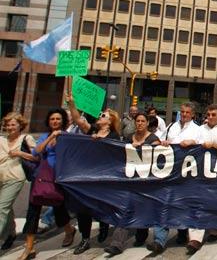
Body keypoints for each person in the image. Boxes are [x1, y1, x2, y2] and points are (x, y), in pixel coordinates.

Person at [66, 94, 121, 254]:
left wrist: (102, 142)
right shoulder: (92, 131)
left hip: (105, 178)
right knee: (83, 209)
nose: (100, 116)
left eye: (104, 115)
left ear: (110, 121)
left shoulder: (114, 137)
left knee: (103, 206)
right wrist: (72, 104)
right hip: (87, 175)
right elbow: (79, 121)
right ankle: (85, 239)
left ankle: (104, 225)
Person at [147, 102, 204, 256]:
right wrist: (164, 143)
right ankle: (159, 240)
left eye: (187, 112)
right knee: (164, 203)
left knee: (188, 205)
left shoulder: (198, 130)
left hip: (188, 175)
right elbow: (162, 141)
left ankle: (191, 239)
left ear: (192, 114)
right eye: (182, 112)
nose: (184, 114)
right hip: (170, 173)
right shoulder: (171, 126)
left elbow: (204, 148)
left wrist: (194, 143)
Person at [20, 109, 77, 260]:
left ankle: (69, 230)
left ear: (63, 121)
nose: (55, 121)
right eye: (52, 119)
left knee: (59, 208)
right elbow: (36, 152)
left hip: (58, 178)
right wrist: (50, 137)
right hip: (41, 177)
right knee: (33, 209)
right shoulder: (45, 136)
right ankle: (29, 247)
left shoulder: (68, 137)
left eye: (58, 119)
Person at [105, 113, 161, 257]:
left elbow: (158, 156)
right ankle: (116, 244)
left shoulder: (154, 139)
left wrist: (143, 147)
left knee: (145, 209)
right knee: (126, 209)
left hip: (148, 181)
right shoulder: (130, 138)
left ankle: (142, 234)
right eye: (138, 121)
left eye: (143, 121)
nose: (140, 123)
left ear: (147, 123)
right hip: (131, 180)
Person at [186, 104, 217, 255]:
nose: (210, 117)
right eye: (208, 114)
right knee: (197, 203)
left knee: (215, 203)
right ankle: (195, 238)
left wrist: (213, 145)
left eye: (213, 114)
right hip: (200, 173)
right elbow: (193, 143)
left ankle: (214, 230)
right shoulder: (201, 129)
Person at [0, 113, 37, 250]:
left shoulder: (26, 138)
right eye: (8, 124)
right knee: (5, 207)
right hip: (0, 176)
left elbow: (36, 157)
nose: (10, 127)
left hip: (15, 177)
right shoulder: (1, 140)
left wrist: (20, 153)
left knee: (1, 209)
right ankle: (10, 233)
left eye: (13, 124)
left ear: (20, 125)